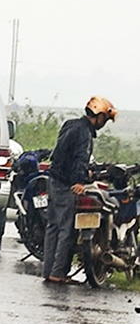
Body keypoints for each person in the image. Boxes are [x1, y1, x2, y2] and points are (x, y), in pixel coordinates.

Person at [42, 96, 118, 284]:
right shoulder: (84, 132)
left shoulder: (70, 124)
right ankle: (58, 273)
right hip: (66, 184)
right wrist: (79, 182)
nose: (103, 124)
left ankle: (48, 270)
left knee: (52, 227)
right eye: (104, 119)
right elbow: (80, 158)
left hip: (53, 180)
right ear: (99, 116)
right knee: (66, 229)